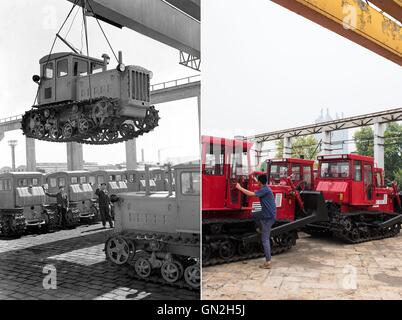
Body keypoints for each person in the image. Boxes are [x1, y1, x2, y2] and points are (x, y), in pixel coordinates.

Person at [236, 174, 276, 269]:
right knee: (253, 215)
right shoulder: (265, 188)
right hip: (265, 214)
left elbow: (251, 194)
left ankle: (268, 262)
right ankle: (259, 228)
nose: (256, 182)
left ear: (260, 182)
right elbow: (257, 187)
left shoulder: (265, 190)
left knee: (265, 240)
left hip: (268, 218)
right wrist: (253, 178)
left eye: (257, 181)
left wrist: (239, 187)